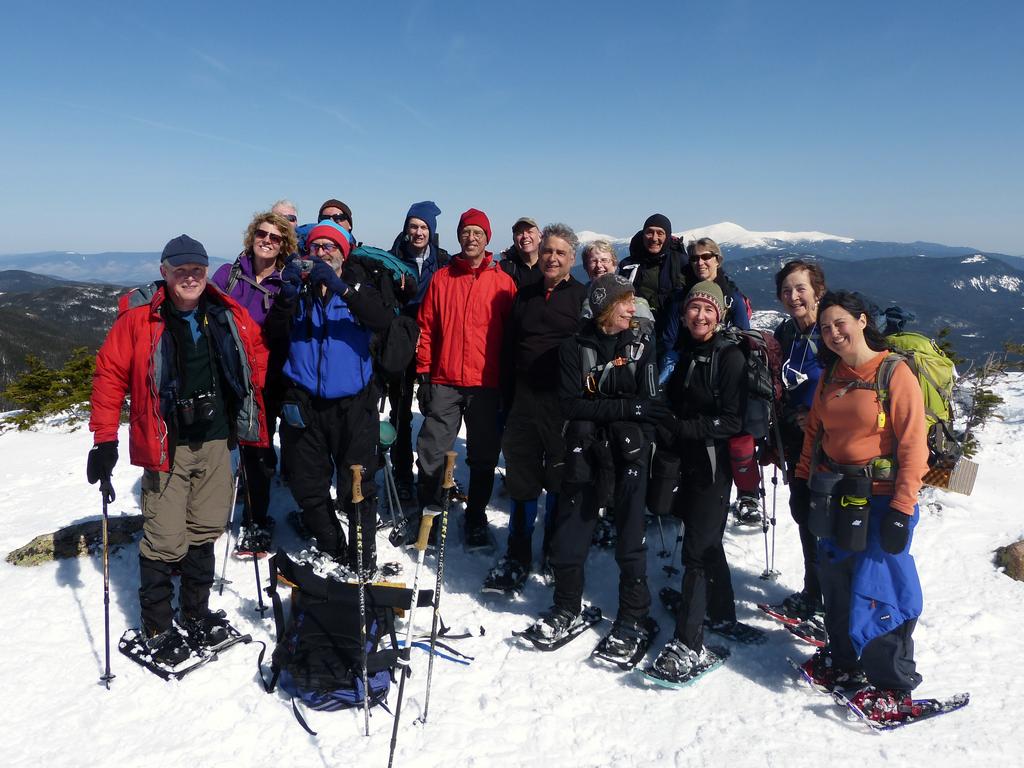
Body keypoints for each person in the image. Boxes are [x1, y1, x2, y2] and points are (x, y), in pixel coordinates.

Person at [87, 235, 267, 666]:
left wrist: (251, 421)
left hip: (217, 440)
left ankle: (196, 613)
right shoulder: (139, 320)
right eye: (181, 270)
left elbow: (255, 358)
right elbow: (109, 376)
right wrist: (105, 439)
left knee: (206, 529)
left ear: (207, 272)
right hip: (165, 445)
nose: (190, 277)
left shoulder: (227, 312)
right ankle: (158, 626)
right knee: (166, 539)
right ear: (165, 273)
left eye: (198, 271)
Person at [795, 290, 927, 721]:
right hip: (837, 494)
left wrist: (903, 507)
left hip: (883, 499)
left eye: (840, 323)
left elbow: (912, 445)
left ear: (862, 321)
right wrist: (801, 482)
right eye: (826, 327)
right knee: (836, 582)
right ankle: (845, 662)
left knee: (880, 590)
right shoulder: (832, 375)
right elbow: (815, 432)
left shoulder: (894, 373)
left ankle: (893, 685)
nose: (833, 333)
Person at [525, 274, 667, 661]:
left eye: (633, 301)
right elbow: (571, 405)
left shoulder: (641, 343)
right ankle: (567, 605)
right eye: (625, 302)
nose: (631, 308)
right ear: (606, 307)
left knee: (630, 538)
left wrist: (623, 411)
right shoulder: (574, 347)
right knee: (572, 532)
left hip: (628, 452)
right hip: (585, 451)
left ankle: (632, 616)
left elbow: (649, 403)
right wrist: (625, 407)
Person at [263, 219, 394, 576]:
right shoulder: (297, 290)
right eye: (316, 247)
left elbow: (381, 319)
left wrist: (341, 288)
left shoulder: (359, 284)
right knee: (307, 485)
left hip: (353, 404)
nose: (321, 254)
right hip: (304, 401)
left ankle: (363, 557)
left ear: (343, 253)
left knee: (357, 485)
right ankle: (335, 546)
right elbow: (273, 335)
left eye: (330, 247)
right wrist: (287, 297)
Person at [647, 280, 748, 683]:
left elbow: (733, 420)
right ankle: (720, 610)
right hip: (688, 463)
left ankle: (689, 643)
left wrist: (682, 427)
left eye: (708, 310)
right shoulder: (690, 350)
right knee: (703, 540)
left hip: (712, 466)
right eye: (694, 309)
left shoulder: (730, 357)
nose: (700, 316)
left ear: (720, 315)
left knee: (696, 553)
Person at [484, 223, 587, 592]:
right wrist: (505, 398)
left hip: (562, 405)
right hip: (523, 401)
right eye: (548, 251)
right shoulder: (524, 295)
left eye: (560, 252)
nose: (552, 258)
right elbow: (509, 348)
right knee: (522, 480)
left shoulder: (581, 298)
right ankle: (518, 553)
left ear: (572, 258)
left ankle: (555, 553)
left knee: (559, 480)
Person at [413, 208, 517, 549]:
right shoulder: (443, 279)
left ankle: (475, 518)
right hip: (444, 379)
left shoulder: (503, 282)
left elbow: (512, 338)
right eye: (466, 232)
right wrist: (425, 373)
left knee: (483, 455)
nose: (471, 238)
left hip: (485, 384)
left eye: (478, 233)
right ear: (458, 237)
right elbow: (426, 328)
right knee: (432, 452)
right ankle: (430, 511)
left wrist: (507, 382)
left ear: (487, 239)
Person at [210, 211, 296, 556]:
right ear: (252, 236)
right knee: (222, 448)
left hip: (269, 377)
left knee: (258, 450)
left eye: (276, 238)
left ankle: (256, 520)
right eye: (262, 233)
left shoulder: (287, 283)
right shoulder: (226, 276)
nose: (267, 241)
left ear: (284, 245)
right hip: (228, 375)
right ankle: (208, 516)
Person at [769, 259, 828, 622]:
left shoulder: (833, 332)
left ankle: (830, 601)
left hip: (831, 444)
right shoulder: (786, 332)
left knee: (825, 522)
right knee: (804, 515)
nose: (793, 296)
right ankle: (813, 592)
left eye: (801, 288)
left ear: (817, 290)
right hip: (796, 441)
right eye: (787, 291)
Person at [387, 201, 450, 503]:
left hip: (432, 344)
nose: (417, 232)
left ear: (432, 231)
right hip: (400, 343)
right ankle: (401, 475)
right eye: (413, 226)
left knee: (436, 411)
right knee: (400, 413)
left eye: (423, 227)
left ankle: (432, 476)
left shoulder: (443, 261)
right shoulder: (391, 260)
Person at [617, 213, 687, 336]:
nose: (654, 238)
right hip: (636, 331)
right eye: (650, 232)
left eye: (660, 233)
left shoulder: (681, 263)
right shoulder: (628, 265)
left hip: (673, 333)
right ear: (643, 234)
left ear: (668, 237)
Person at [499, 217, 544, 288]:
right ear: (514, 239)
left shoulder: (550, 265)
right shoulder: (504, 269)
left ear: (540, 236)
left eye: (529, 232)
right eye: (520, 233)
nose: (525, 236)